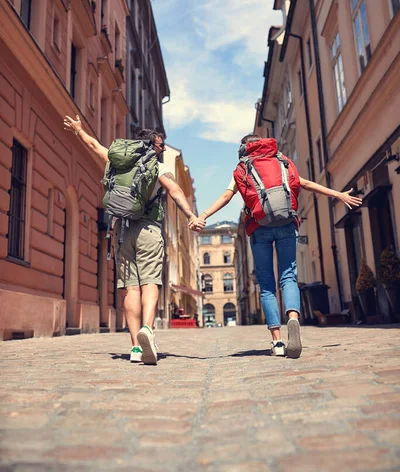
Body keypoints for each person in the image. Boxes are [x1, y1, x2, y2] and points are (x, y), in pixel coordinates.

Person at [190, 134, 362, 358]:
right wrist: (337, 194)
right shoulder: (282, 161)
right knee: (288, 276)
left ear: (244, 148)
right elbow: (305, 183)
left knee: (267, 284)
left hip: (258, 228)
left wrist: (202, 216)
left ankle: (277, 341)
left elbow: (227, 195)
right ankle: (293, 318)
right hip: (287, 223)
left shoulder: (243, 167)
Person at [63, 114, 205, 364]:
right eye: (160, 145)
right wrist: (192, 216)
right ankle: (147, 330)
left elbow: (95, 146)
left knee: (130, 288)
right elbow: (175, 191)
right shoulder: (158, 168)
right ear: (151, 146)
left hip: (122, 231)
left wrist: (78, 130)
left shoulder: (117, 163)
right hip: (148, 230)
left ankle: (135, 348)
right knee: (150, 282)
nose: (162, 149)